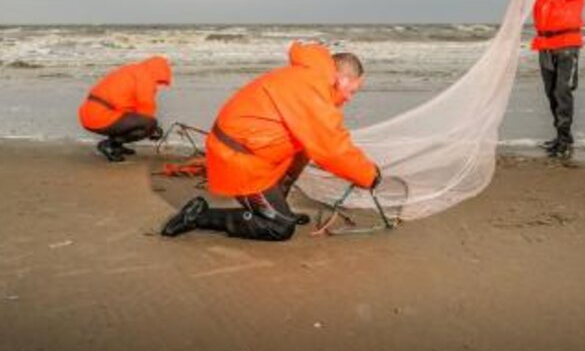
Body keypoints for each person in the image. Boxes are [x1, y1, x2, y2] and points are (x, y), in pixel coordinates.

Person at [160, 43, 380, 241]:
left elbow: (322, 141)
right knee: (279, 227)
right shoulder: (312, 86)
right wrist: (368, 175)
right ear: (342, 80)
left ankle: (276, 207)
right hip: (237, 158)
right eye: (352, 91)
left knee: (304, 149)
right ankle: (200, 215)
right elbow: (331, 147)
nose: (350, 98)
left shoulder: (309, 77)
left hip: (252, 151)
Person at [518, 0, 585, 159]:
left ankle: (565, 140)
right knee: (551, 93)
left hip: (567, 44)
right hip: (545, 44)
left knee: (563, 92)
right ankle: (560, 137)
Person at [78, 56, 172, 162]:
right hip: (100, 117)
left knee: (129, 119)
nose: (158, 84)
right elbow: (146, 105)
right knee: (149, 123)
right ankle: (110, 145)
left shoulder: (131, 70)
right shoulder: (145, 77)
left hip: (88, 114)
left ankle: (117, 145)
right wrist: (152, 129)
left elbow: (124, 103)